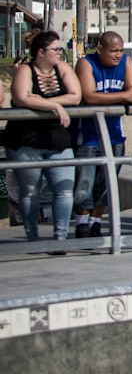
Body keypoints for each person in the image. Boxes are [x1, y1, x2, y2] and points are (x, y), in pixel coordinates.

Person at [5, 31, 82, 246]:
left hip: (57, 139)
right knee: (30, 191)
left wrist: (42, 101)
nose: (59, 53)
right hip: (25, 141)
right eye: (55, 49)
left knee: (65, 189)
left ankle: (60, 238)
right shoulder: (25, 70)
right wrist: (56, 105)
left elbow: (75, 96)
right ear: (41, 52)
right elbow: (21, 97)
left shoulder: (63, 69)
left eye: (60, 49)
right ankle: (32, 237)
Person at [73, 31, 132, 238]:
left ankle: (95, 222)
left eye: (120, 51)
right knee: (84, 183)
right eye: (113, 51)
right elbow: (89, 96)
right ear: (100, 49)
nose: (117, 55)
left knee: (106, 184)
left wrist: (114, 97)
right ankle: (82, 222)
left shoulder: (126, 63)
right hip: (89, 136)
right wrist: (122, 96)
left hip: (114, 136)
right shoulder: (86, 63)